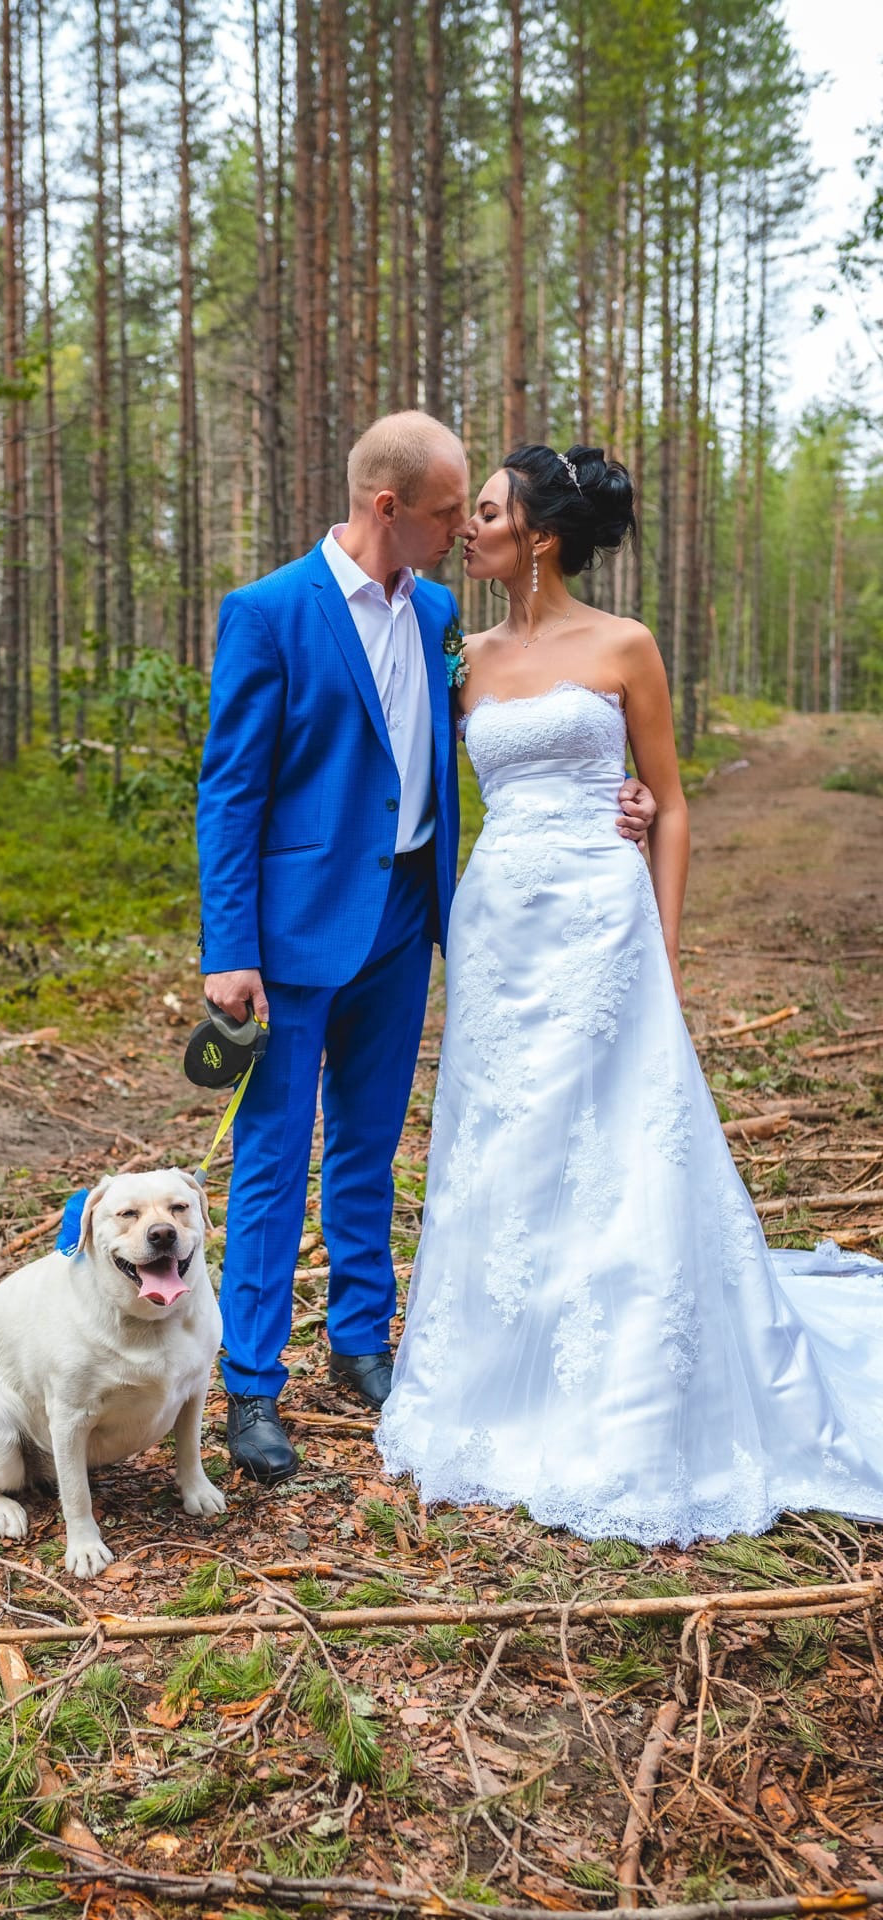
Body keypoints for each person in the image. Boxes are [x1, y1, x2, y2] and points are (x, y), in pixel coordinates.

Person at [378, 442, 883, 1544]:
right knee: (502, 1142)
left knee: (619, 1143)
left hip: (604, 924)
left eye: (493, 512)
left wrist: (657, 940)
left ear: (540, 536)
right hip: (499, 925)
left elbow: (669, 798)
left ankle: (631, 1392)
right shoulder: (460, 652)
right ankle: (492, 1382)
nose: (473, 528)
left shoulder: (622, 646)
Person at [196, 413, 656, 1484]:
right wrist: (230, 950)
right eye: (450, 510)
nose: (464, 529)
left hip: (408, 920)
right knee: (272, 1157)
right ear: (388, 508)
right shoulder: (267, 615)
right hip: (292, 930)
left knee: (367, 1144)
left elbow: (518, 725)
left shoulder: (441, 612)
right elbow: (229, 792)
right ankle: (250, 1386)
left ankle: (361, 1339)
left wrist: (610, 792)